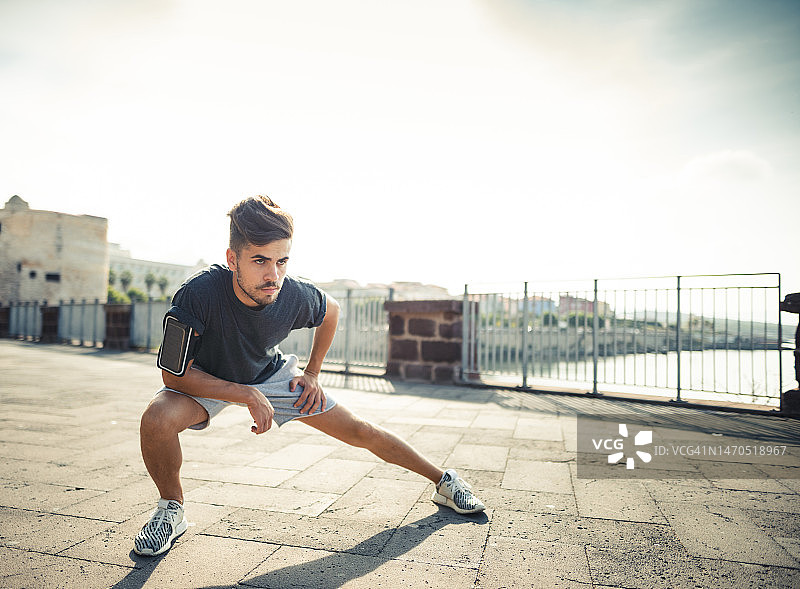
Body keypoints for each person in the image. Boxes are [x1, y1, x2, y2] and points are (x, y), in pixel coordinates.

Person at [134, 195, 485, 556]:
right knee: (157, 418)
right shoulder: (197, 294)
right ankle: (171, 509)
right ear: (232, 259)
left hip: (268, 374)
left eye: (282, 261)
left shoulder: (294, 294)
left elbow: (332, 311)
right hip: (206, 377)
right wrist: (244, 394)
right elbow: (173, 376)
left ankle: (445, 481)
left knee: (360, 430)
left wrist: (313, 373)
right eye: (260, 261)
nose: (273, 276)